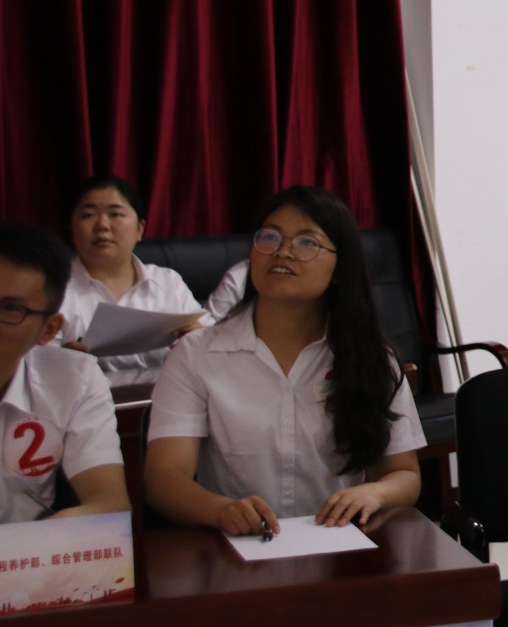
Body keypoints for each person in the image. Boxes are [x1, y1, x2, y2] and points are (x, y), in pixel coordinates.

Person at [144, 186, 424, 535]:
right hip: (237, 544)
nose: (283, 251)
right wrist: (221, 511)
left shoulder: (371, 357)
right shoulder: (196, 354)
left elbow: (405, 475)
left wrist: (375, 493)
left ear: (340, 268)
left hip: (338, 541)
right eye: (270, 237)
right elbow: (164, 478)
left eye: (307, 242)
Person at [0, 222, 129, 523]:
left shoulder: (74, 379)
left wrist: (49, 537)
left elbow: (110, 505)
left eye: (9, 309)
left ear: (49, 329)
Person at [56, 174, 206, 385]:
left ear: (139, 229)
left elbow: (210, 342)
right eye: (88, 215)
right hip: (78, 396)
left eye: (116, 214)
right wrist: (59, 362)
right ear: (71, 229)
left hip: (167, 395)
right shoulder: (53, 288)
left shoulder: (167, 281)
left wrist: (200, 338)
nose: (102, 225)